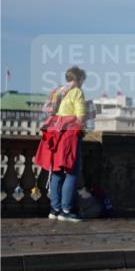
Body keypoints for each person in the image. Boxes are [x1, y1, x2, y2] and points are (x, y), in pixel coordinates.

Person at [35, 66, 88, 222]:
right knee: (71, 172)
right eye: (83, 80)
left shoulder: (58, 91)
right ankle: (65, 211)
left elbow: (50, 111)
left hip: (56, 133)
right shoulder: (77, 91)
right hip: (70, 134)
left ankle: (54, 209)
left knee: (57, 172)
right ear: (79, 79)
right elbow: (81, 116)